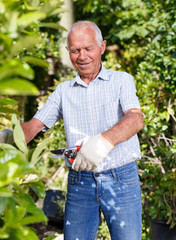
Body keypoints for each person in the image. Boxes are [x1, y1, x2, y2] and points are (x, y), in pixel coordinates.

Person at [0, 21, 143, 240]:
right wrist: (10, 137)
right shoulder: (63, 91)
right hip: (80, 182)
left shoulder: (121, 81)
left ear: (102, 47)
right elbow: (34, 125)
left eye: (88, 48)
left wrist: (104, 141)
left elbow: (135, 119)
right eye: (75, 50)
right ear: (68, 52)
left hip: (121, 178)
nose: (82, 56)